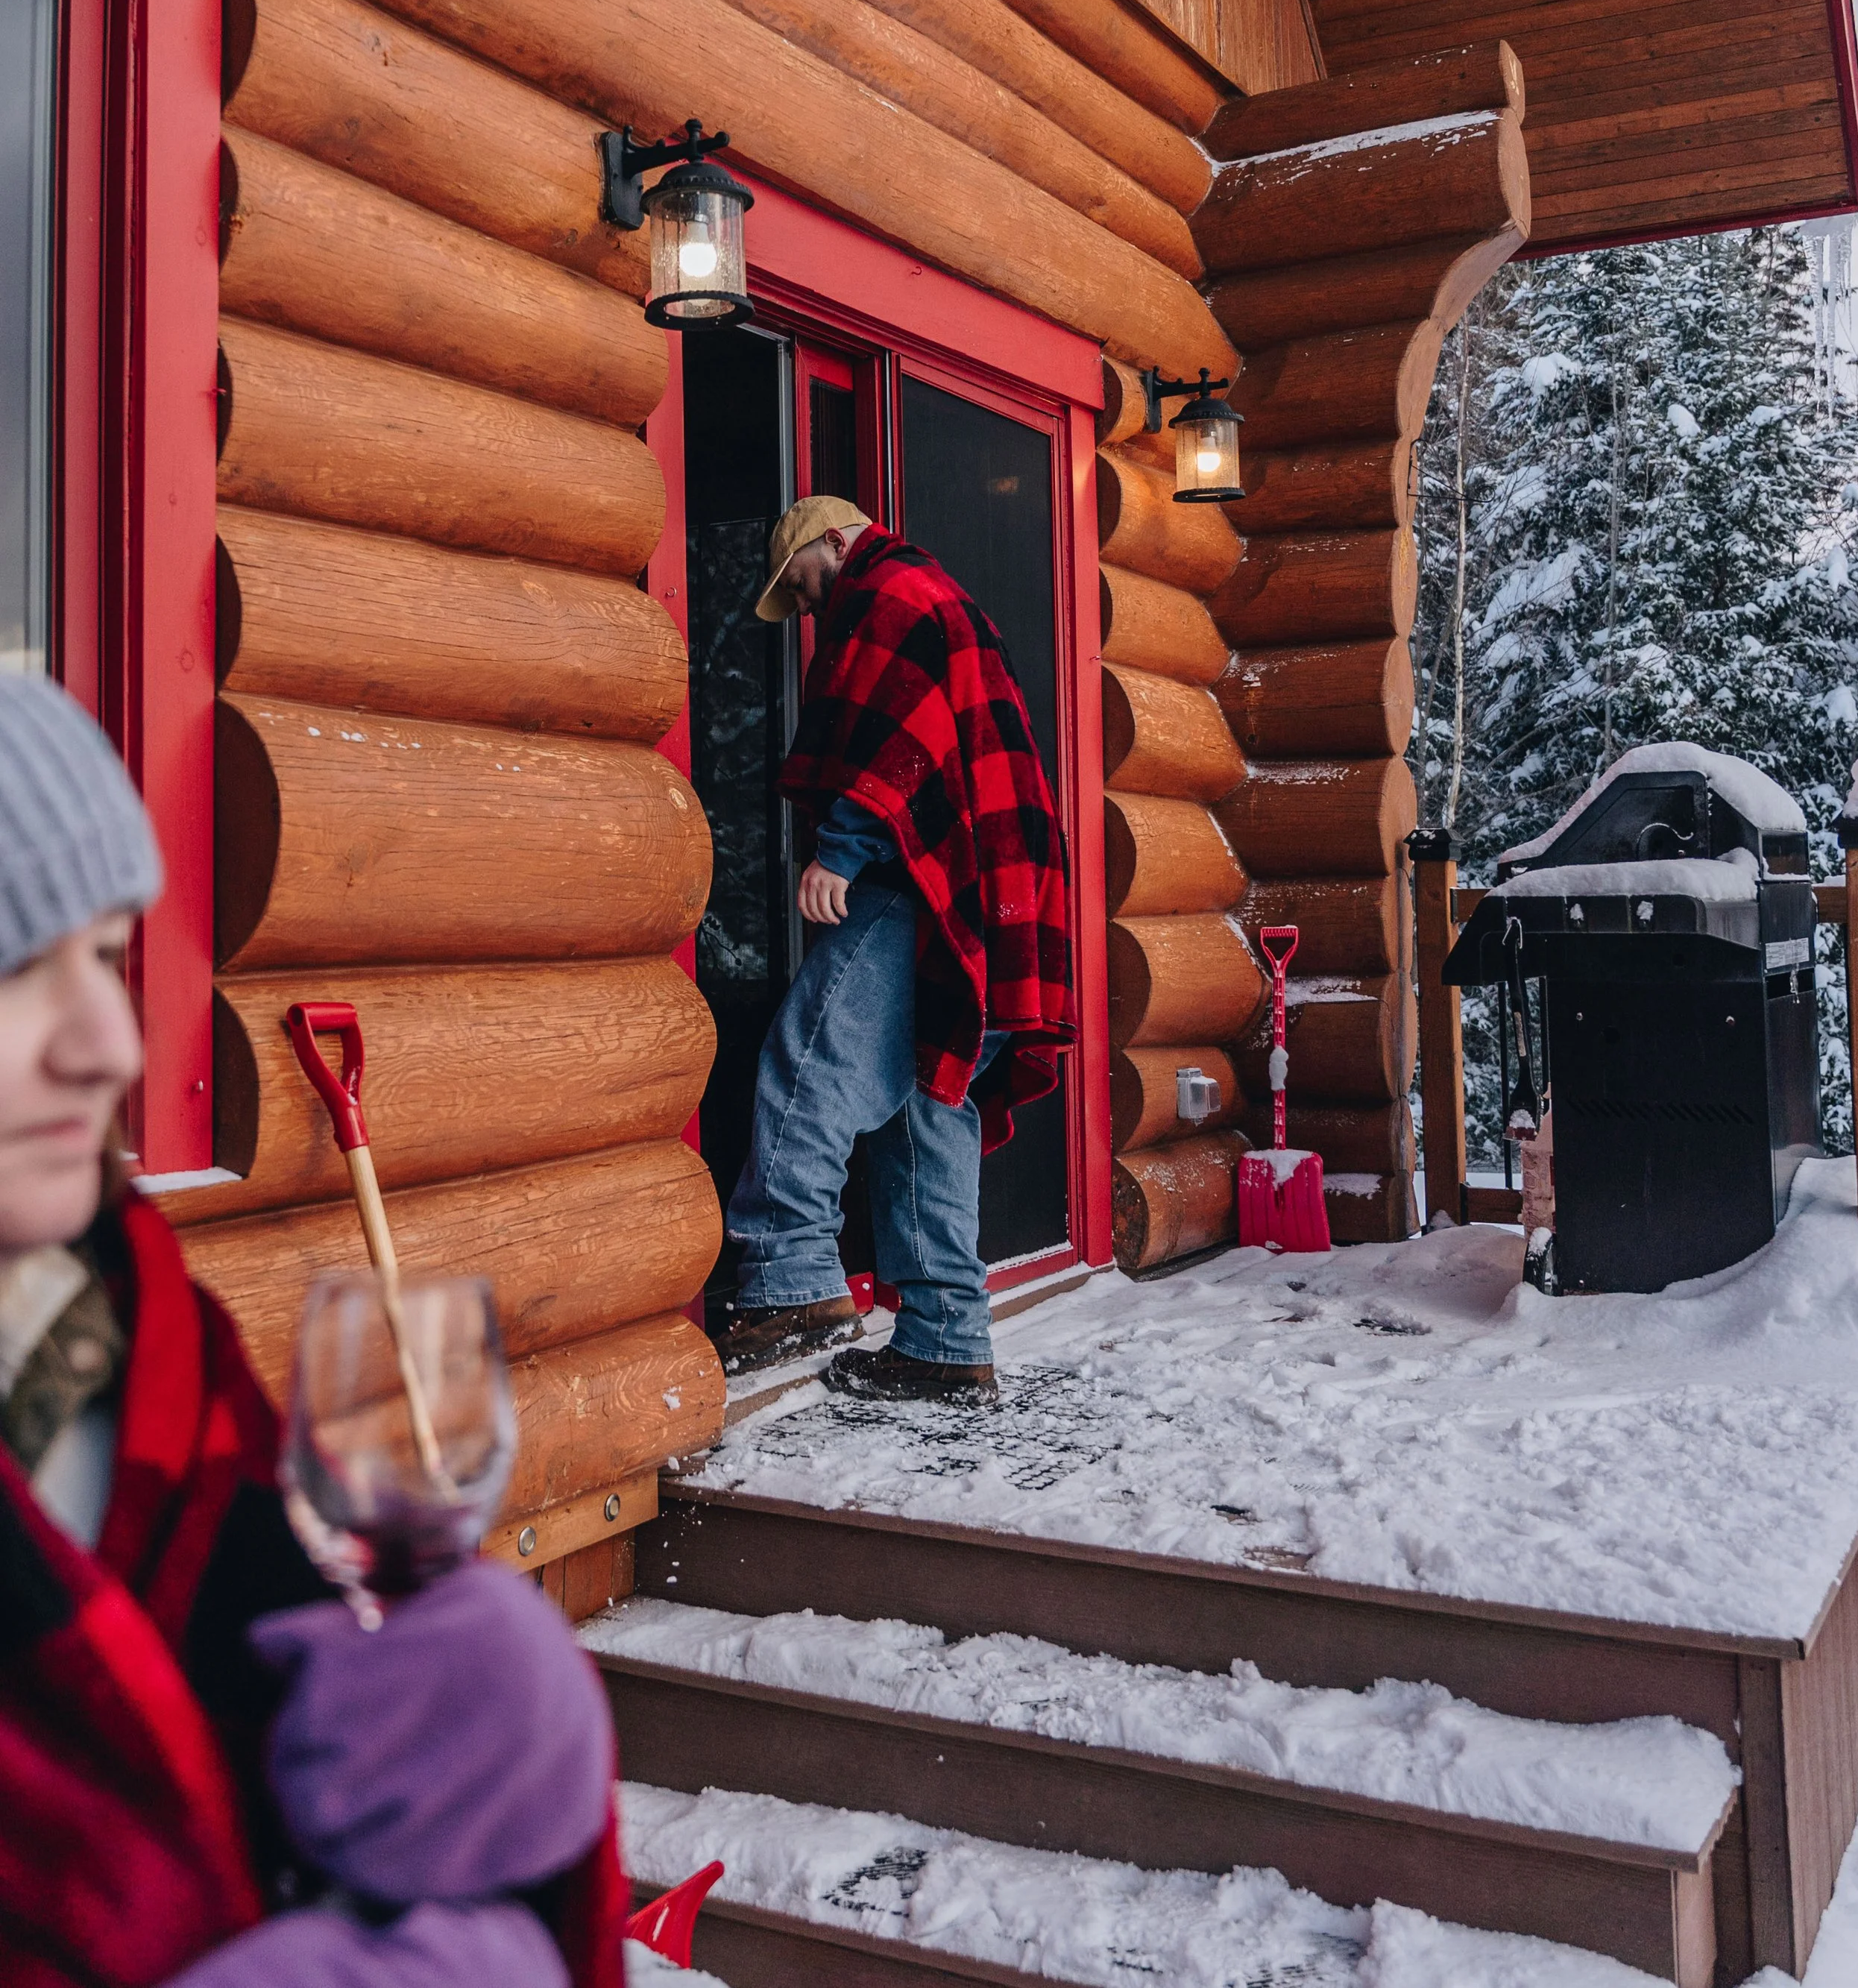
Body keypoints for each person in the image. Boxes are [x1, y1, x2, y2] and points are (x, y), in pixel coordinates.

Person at [0, 673, 624, 1988]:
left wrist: (498, 1752)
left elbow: (263, 1724)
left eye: (110, 957)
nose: (108, 1044)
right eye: (15, 972)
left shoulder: (148, 1336)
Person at [721, 498, 1073, 1403]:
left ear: (833, 544)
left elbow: (909, 739)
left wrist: (839, 849)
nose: (804, 612)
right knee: (932, 1104)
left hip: (934, 882)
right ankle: (945, 1342)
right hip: (1004, 887)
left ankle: (789, 1284)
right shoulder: (934, 599)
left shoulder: (895, 596)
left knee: (808, 1065)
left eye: (799, 587)